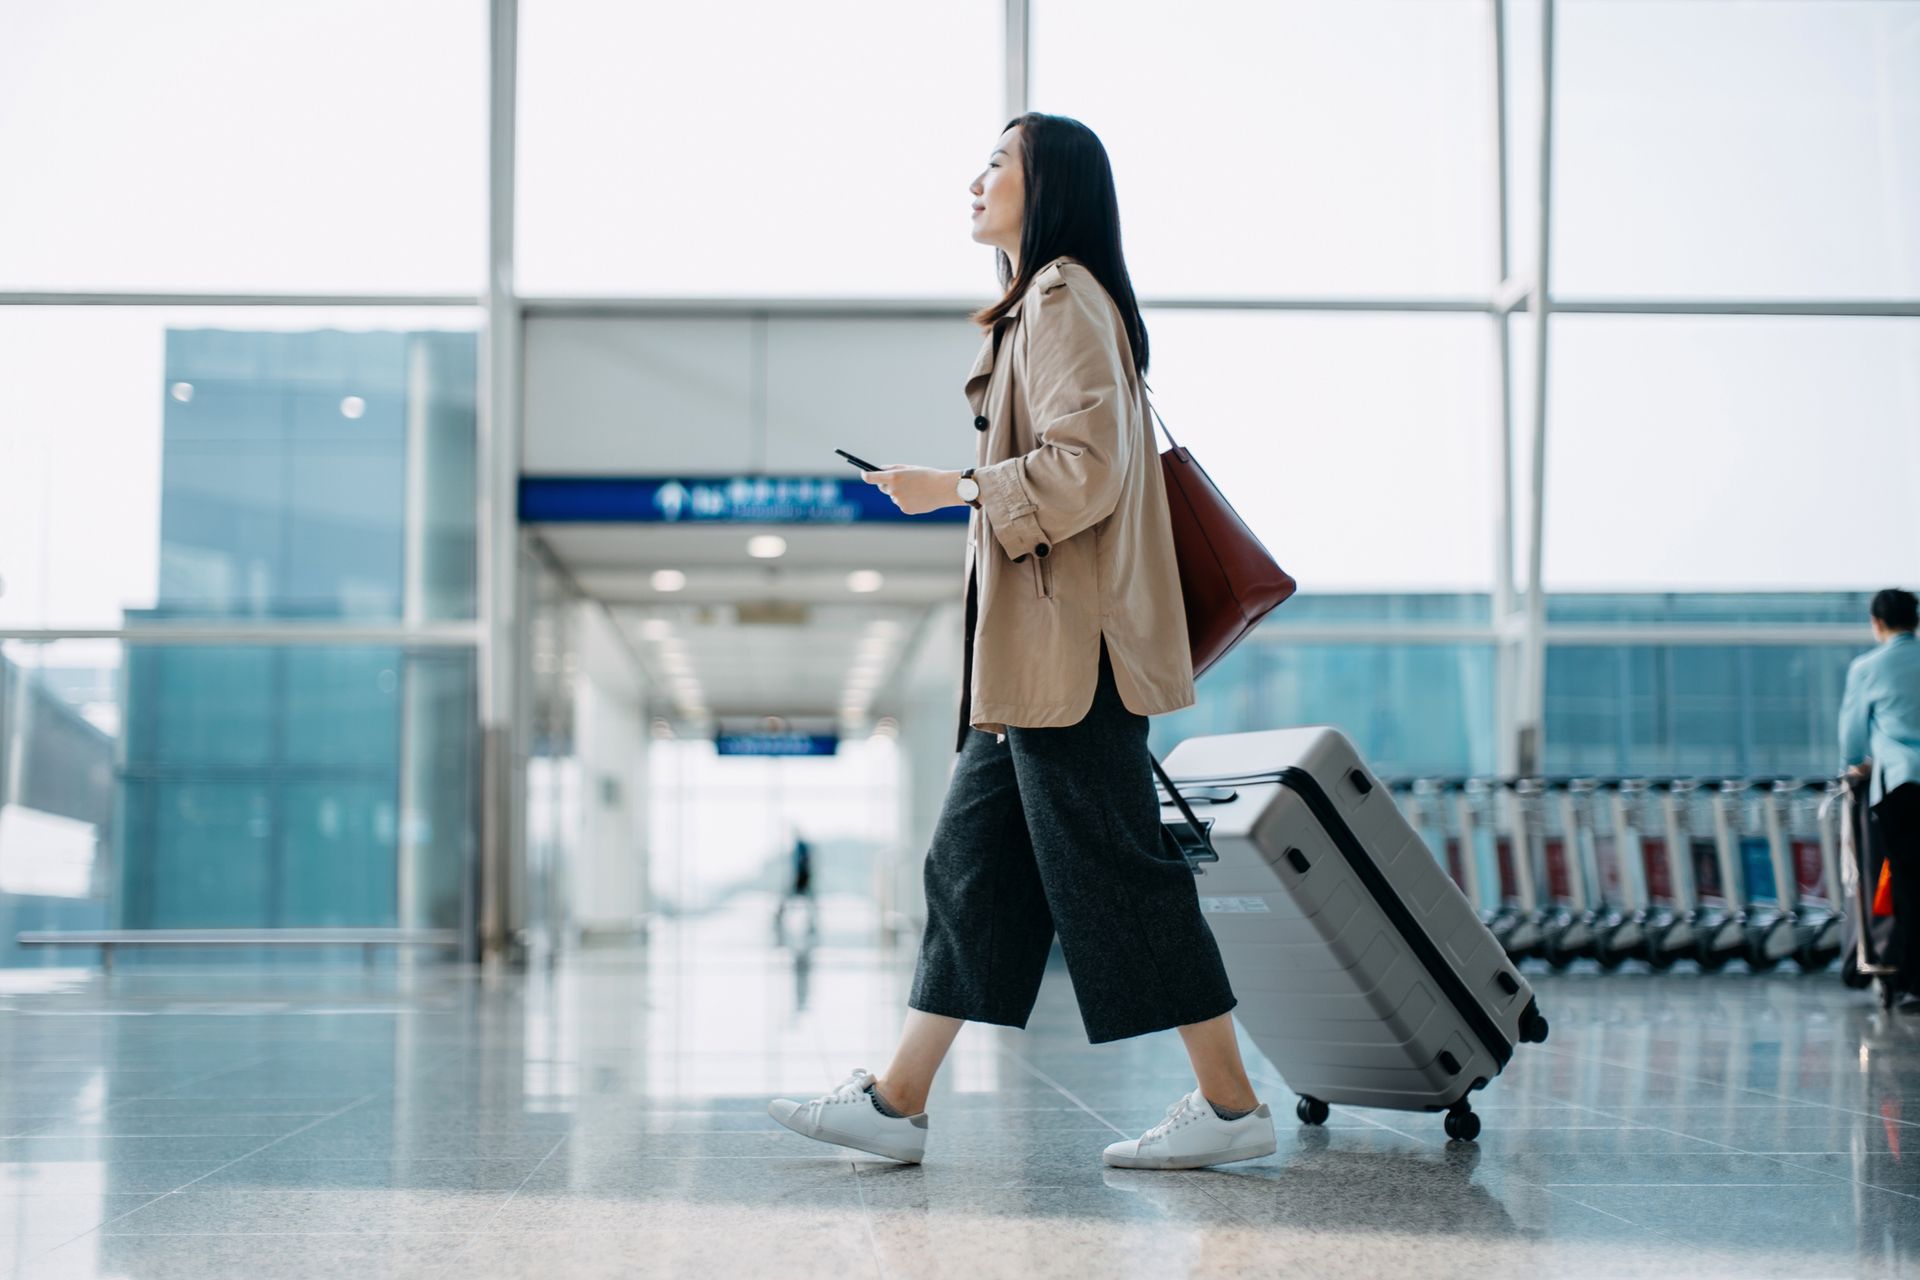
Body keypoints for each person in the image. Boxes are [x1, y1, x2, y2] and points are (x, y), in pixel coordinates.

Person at [766, 113, 1272, 1171]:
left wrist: (946, 488)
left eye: (999, 161)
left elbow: (1086, 470)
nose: (976, 178)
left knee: (1117, 872)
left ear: (1048, 186)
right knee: (970, 869)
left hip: (1067, 660)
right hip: (1032, 667)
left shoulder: (1059, 297)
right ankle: (897, 1100)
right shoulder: (1039, 307)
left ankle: (1231, 1106)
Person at [1839, 588, 1920, 1010]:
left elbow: (1852, 740)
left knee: (1903, 881)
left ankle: (1907, 977)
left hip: (1901, 786)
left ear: (1877, 623)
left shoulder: (1868, 668)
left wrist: (1855, 763)